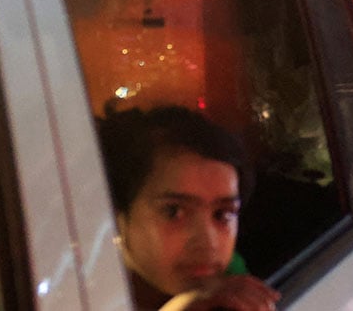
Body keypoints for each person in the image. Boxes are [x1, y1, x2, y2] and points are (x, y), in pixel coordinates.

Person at [97, 106, 280, 311]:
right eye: (174, 211)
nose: (208, 244)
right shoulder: (82, 287)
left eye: (222, 214)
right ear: (116, 216)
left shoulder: (232, 277)